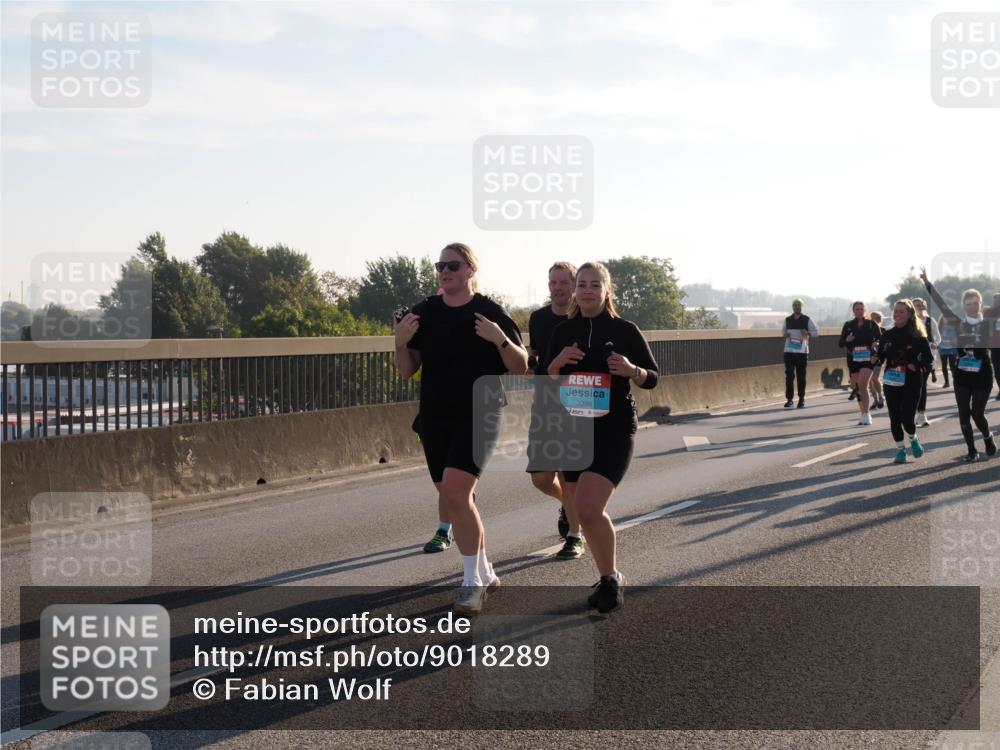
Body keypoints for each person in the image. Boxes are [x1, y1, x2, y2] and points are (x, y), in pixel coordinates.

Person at [394, 243, 529, 612]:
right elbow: (407, 369)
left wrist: (498, 338)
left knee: (456, 490)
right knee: (457, 498)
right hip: (435, 415)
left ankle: (471, 584)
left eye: (453, 265)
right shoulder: (424, 312)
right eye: (440, 265)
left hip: (481, 411)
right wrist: (400, 342)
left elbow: (520, 366)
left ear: (470, 269)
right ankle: (484, 571)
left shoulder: (489, 311)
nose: (445, 270)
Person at [545, 262, 659, 613]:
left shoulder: (625, 330)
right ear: (576, 291)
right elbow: (545, 380)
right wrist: (556, 363)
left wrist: (631, 370)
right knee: (582, 508)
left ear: (607, 290)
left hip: (614, 428)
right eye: (583, 284)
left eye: (596, 284)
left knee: (590, 507)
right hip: (574, 427)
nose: (588, 290)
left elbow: (653, 377)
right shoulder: (563, 332)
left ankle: (611, 578)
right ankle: (607, 576)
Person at [526, 262, 586, 559]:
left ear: (574, 285)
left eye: (564, 282)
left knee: (568, 472)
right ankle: (568, 505)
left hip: (575, 403)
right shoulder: (537, 318)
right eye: (553, 282)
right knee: (540, 477)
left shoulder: (585, 318)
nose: (558, 287)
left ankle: (575, 535)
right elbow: (534, 354)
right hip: (544, 402)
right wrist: (529, 363)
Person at [920, 267, 998, 461]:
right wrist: (927, 283)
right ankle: (971, 450)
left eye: (975, 303)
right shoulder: (956, 322)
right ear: (963, 306)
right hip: (962, 375)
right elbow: (941, 304)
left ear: (980, 304)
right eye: (968, 303)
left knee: (977, 413)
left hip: (983, 375)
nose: (972, 306)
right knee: (964, 414)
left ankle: (987, 436)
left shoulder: (987, 322)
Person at [872, 300, 931, 464]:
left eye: (901, 311)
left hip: (912, 380)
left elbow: (929, 359)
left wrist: (916, 365)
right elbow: (881, 358)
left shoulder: (918, 336)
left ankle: (913, 438)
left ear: (910, 314)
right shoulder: (887, 335)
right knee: (894, 417)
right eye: (895, 311)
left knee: (907, 417)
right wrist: (875, 358)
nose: (897, 314)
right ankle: (900, 450)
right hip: (891, 381)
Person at [838, 302, 881, 425]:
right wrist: (847, 340)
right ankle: (863, 413)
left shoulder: (871, 324)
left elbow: (881, 339)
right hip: (853, 359)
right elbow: (840, 343)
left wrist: (876, 344)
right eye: (857, 309)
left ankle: (867, 414)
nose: (859, 311)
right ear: (853, 311)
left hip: (868, 359)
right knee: (857, 387)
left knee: (863, 385)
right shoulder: (848, 325)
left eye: (861, 309)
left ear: (865, 310)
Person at [781, 299, 819, 408]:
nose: (797, 307)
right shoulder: (787, 319)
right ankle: (789, 399)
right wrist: (785, 334)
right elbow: (782, 332)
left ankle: (801, 399)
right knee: (789, 376)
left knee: (801, 376)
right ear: (792, 307)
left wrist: (807, 333)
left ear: (802, 307)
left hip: (802, 352)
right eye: (795, 305)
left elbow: (817, 333)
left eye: (799, 305)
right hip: (789, 351)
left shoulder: (807, 319)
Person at [912, 297, 941, 427]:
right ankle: (913, 413)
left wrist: (935, 343)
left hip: (927, 356)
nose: (918, 307)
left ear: (924, 306)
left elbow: (937, 337)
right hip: (912, 356)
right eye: (915, 305)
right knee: (913, 385)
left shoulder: (930, 321)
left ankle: (922, 414)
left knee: (922, 384)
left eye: (920, 305)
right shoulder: (910, 321)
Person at [867, 311, 886, 409]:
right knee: (869, 380)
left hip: (878, 357)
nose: (872, 320)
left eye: (874, 318)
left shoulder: (883, 330)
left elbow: (885, 346)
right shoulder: (867, 330)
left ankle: (881, 396)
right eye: (871, 318)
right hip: (867, 357)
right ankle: (875, 400)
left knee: (874, 377)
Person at [938, 313, 957, 389]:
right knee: (944, 366)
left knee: (952, 365)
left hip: (952, 348)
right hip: (943, 349)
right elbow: (937, 336)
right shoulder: (939, 327)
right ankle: (946, 382)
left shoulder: (953, 327)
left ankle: (955, 380)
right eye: (945, 318)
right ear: (942, 319)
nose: (946, 320)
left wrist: (954, 340)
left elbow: (955, 337)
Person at [989, 292, 1000, 400]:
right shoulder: (990, 313)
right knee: (997, 370)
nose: (995, 302)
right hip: (995, 346)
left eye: (997, 300)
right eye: (994, 300)